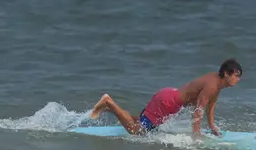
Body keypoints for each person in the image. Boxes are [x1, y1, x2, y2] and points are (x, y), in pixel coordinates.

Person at [89, 58, 242, 137]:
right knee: (138, 131)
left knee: (141, 123)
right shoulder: (212, 85)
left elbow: (211, 105)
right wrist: (195, 136)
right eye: (236, 76)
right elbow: (198, 111)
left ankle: (109, 108)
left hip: (169, 99)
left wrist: (212, 126)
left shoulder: (217, 83)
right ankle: (108, 101)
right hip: (167, 102)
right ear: (226, 74)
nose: (238, 79)